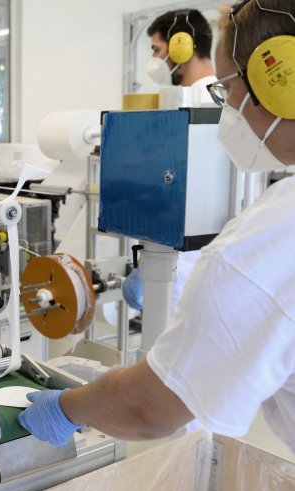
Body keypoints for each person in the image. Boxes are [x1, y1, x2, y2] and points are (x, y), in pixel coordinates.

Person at [19, 0, 295, 452]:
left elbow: (150, 408)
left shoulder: (273, 237)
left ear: (280, 80)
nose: (228, 109)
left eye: (227, 89)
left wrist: (66, 408)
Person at [123, 9, 219, 310]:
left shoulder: (196, 103)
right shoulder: (219, 94)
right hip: (198, 248)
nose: (154, 60)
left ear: (182, 45)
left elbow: (172, 178)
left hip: (186, 255)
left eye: (156, 50)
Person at [146, 8, 218, 107]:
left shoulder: (201, 101)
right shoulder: (217, 92)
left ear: (181, 48)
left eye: (156, 49)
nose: (154, 57)